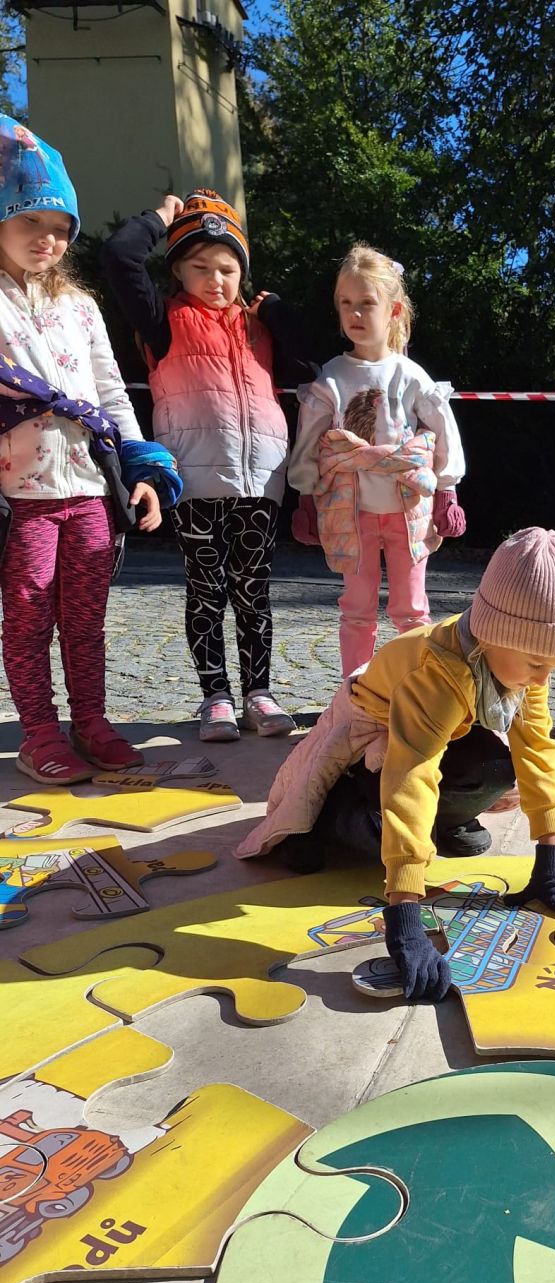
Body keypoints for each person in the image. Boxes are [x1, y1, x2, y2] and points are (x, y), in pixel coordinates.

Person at [236, 528, 555, 1001]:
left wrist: (551, 869)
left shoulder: (519, 658)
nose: (543, 679)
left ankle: (440, 822)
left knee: (495, 764)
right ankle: (326, 823)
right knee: (372, 832)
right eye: (537, 664)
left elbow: (536, 750)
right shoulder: (438, 671)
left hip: (423, 732)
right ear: (493, 637)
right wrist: (405, 919)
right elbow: (410, 776)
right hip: (363, 746)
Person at [0, 116, 173, 786]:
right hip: (23, 496)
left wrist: (141, 467)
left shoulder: (81, 307)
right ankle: (38, 733)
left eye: (60, 227)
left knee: (86, 619)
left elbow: (111, 391)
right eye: (29, 221)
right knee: (27, 616)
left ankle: (91, 722)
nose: (46, 238)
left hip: (91, 490)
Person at [102, 189, 310, 743]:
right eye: (200, 267)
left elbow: (312, 361)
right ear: (177, 269)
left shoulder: (257, 325)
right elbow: (120, 258)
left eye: (228, 269)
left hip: (260, 481)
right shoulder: (163, 320)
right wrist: (161, 217)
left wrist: (277, 310)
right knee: (206, 590)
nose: (216, 279)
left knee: (254, 591)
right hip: (194, 480)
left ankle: (259, 694)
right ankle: (216, 697)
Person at [287, 244, 466, 677]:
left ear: (393, 310)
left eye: (367, 303)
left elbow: (444, 432)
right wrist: (306, 496)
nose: (355, 313)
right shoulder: (331, 377)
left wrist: (447, 490)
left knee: (412, 608)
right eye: (346, 303)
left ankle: (415, 687)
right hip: (352, 514)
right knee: (356, 608)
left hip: (409, 512)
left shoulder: (411, 375)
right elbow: (309, 442)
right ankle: (355, 692)